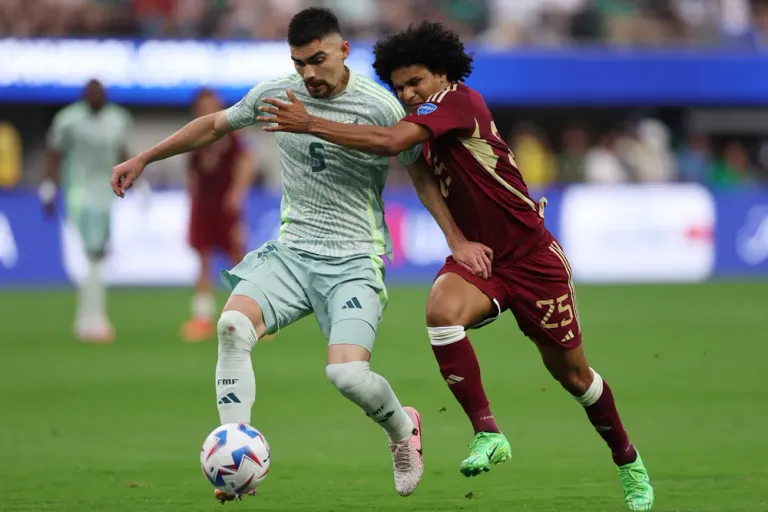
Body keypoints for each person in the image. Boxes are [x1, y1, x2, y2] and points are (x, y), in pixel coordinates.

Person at [256, 21, 655, 512]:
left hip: (533, 261)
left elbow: (387, 142)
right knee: (441, 312)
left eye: (416, 81)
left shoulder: (458, 103)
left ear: (442, 73)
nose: (407, 92)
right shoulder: (423, 122)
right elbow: (421, 174)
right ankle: (488, 433)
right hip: (481, 258)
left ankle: (629, 462)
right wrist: (457, 240)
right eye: (399, 86)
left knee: (573, 376)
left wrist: (310, 122)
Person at [109, 8, 485, 502]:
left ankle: (402, 430)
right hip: (291, 253)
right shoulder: (276, 94)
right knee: (231, 327)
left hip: (353, 260)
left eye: (318, 59)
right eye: (299, 62)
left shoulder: (380, 107)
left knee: (347, 375)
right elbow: (215, 126)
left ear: (344, 52)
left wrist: (456, 240)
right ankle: (235, 454)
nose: (309, 73)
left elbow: (420, 177)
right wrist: (144, 157)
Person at [41, 79, 132, 343]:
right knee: (93, 252)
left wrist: (139, 179)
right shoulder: (68, 120)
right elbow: (54, 153)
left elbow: (123, 151)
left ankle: (88, 319)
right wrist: (48, 186)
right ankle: (93, 319)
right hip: (79, 191)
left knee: (96, 254)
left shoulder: (119, 119)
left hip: (107, 191)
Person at [181, 88, 256, 343]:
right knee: (202, 259)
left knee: (238, 259)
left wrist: (237, 193)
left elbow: (246, 162)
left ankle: (253, 315)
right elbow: (192, 172)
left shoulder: (231, 131)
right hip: (203, 205)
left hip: (225, 205)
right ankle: (202, 318)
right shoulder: (194, 132)